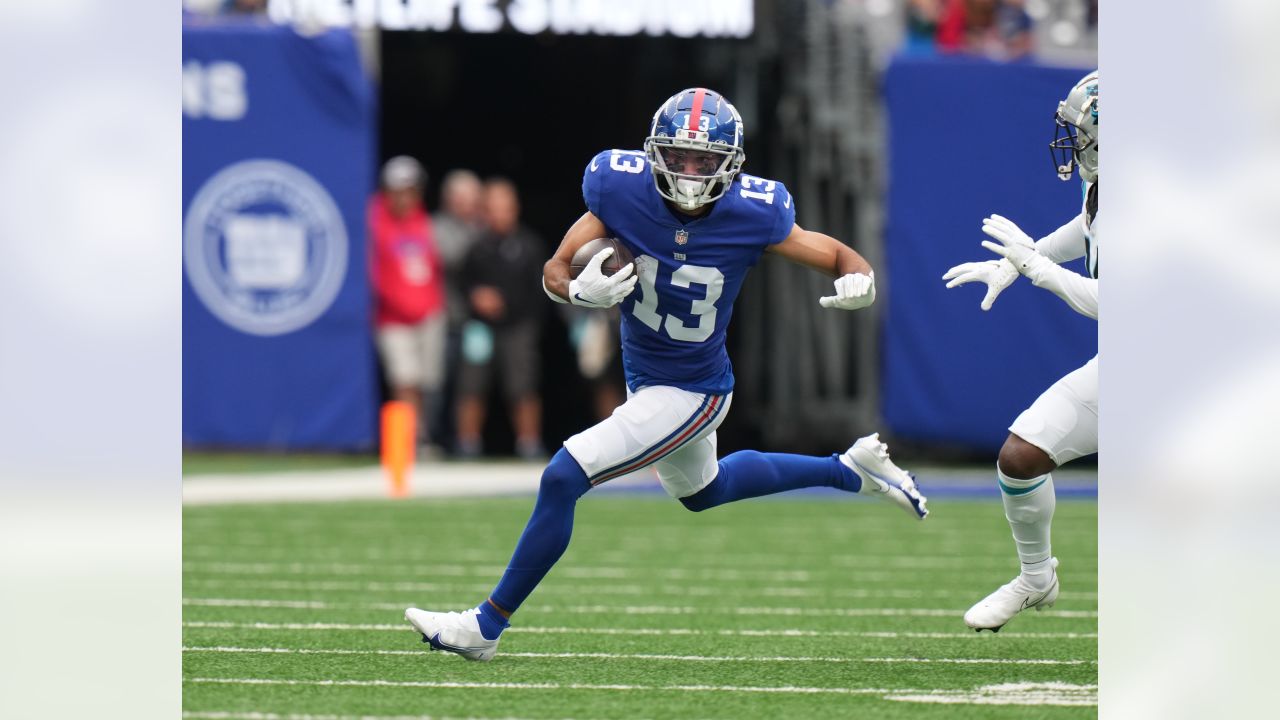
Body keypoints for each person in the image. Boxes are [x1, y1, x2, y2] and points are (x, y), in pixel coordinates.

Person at [406, 87, 928, 661]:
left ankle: (485, 626)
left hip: (693, 389)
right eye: (677, 155)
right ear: (654, 152)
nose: (687, 171)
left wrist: (860, 278)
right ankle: (850, 470)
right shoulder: (618, 188)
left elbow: (833, 254)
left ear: (730, 164)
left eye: (703, 161)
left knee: (562, 477)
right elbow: (555, 266)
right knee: (705, 491)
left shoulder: (756, 211)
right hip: (646, 376)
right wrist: (578, 289)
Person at [942, 71, 1098, 631]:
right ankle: (1037, 579)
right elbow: (1089, 229)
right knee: (1021, 455)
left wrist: (1036, 270)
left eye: (1081, 132)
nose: (1070, 142)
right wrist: (1014, 263)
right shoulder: (1105, 183)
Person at [454, 178, 547, 460]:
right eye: (493, 208)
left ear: (514, 208)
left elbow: (542, 290)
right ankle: (467, 444)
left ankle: (529, 443)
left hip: (519, 327)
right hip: (480, 329)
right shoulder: (475, 246)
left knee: (523, 386)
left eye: (504, 207)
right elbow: (462, 284)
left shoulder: (530, 245)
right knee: (471, 385)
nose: (499, 214)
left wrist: (524, 320)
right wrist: (476, 297)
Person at [369, 156, 447, 450]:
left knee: (427, 383)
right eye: (398, 190)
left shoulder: (423, 221)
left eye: (410, 189)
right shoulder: (374, 220)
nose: (405, 196)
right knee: (404, 380)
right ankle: (409, 442)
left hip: (427, 315)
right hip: (392, 318)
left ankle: (423, 435)